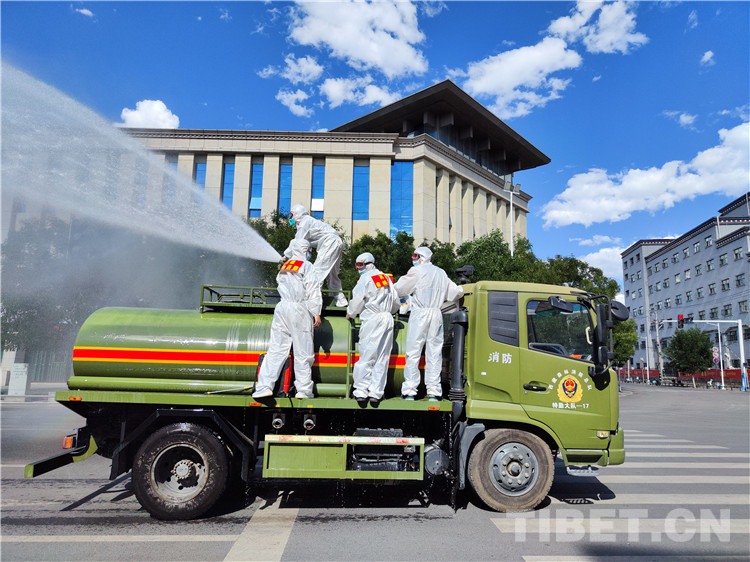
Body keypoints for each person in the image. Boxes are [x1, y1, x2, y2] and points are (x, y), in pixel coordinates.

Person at [253, 239, 322, 399]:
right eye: (310, 251)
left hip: (282, 308)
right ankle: (303, 390)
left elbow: (281, 283)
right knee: (303, 351)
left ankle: (264, 386)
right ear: (305, 250)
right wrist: (316, 312)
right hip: (299, 309)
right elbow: (312, 289)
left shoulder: (286, 266)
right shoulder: (307, 266)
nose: (310, 254)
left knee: (276, 349)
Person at [394, 246, 463, 401]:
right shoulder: (441, 273)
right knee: (435, 353)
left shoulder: (416, 271)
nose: (413, 259)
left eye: (415, 256)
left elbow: (399, 289)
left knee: (413, 352)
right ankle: (434, 392)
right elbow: (455, 293)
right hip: (436, 314)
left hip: (420, 313)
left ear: (422, 257)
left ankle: (410, 390)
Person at [346, 252, 399, 406]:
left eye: (360, 265)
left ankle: (361, 391)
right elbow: (396, 301)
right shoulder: (386, 278)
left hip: (372, 318)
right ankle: (376, 393)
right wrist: (388, 311)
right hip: (387, 318)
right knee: (382, 356)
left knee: (367, 354)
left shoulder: (365, 278)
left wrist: (351, 313)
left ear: (369, 264)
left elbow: (358, 299)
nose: (358, 268)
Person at [284, 204, 347, 307]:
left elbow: (297, 242)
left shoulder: (304, 222)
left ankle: (312, 302)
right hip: (336, 242)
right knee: (332, 274)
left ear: (297, 214)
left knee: (317, 272)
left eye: (291, 216)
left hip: (330, 243)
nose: (290, 219)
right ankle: (341, 301)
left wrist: (286, 256)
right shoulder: (308, 222)